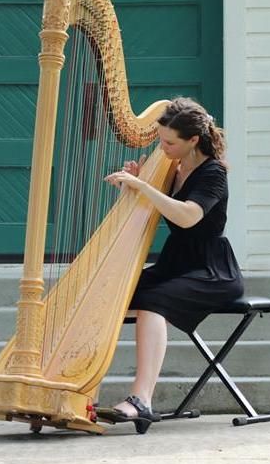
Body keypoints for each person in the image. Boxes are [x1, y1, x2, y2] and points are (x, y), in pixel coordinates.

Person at [100, 97, 244, 433]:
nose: (162, 147)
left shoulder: (213, 173)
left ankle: (141, 400)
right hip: (176, 264)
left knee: (152, 302)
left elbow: (188, 217)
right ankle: (80, 387)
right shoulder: (171, 167)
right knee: (112, 292)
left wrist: (144, 186)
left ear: (193, 140)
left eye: (169, 142)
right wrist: (132, 187)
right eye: (160, 140)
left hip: (211, 271)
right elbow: (149, 211)